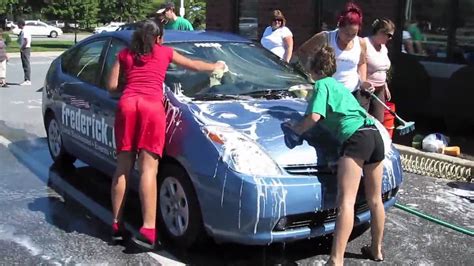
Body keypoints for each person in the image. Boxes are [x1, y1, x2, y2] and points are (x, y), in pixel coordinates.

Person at [106, 20, 224, 250]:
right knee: (148, 169)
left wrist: (130, 88)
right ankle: (148, 229)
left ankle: (117, 226)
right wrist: (216, 66)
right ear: (159, 38)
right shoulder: (165, 52)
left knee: (123, 168)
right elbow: (193, 65)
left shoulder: (124, 55)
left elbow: (111, 86)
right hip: (151, 108)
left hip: (128, 105)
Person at [286, 46, 385, 266]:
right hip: (373, 134)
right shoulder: (338, 87)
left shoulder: (321, 85)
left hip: (357, 139)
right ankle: (376, 249)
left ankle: (336, 259)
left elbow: (314, 116)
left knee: (346, 202)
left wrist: (296, 129)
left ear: (313, 67)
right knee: (375, 199)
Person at [297, 2, 371, 104]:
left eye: (353, 34)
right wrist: (310, 72)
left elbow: (362, 63)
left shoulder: (361, 43)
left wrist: (363, 81)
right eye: (346, 33)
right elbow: (302, 52)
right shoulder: (325, 37)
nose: (349, 37)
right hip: (328, 93)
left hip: (352, 93)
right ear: (339, 27)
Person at [362, 18, 395, 122]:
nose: (390, 38)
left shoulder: (383, 47)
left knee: (379, 121)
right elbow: (358, 65)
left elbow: (383, 68)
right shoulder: (364, 43)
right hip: (366, 90)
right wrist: (363, 83)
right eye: (389, 35)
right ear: (380, 32)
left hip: (379, 89)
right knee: (362, 120)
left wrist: (385, 85)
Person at [16, 19, 31, 86]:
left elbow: (26, 41)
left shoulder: (25, 31)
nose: (17, 26)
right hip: (25, 48)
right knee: (24, 64)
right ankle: (26, 79)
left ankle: (27, 80)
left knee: (26, 64)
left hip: (25, 49)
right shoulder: (23, 31)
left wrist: (22, 48)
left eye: (18, 24)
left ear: (21, 24)